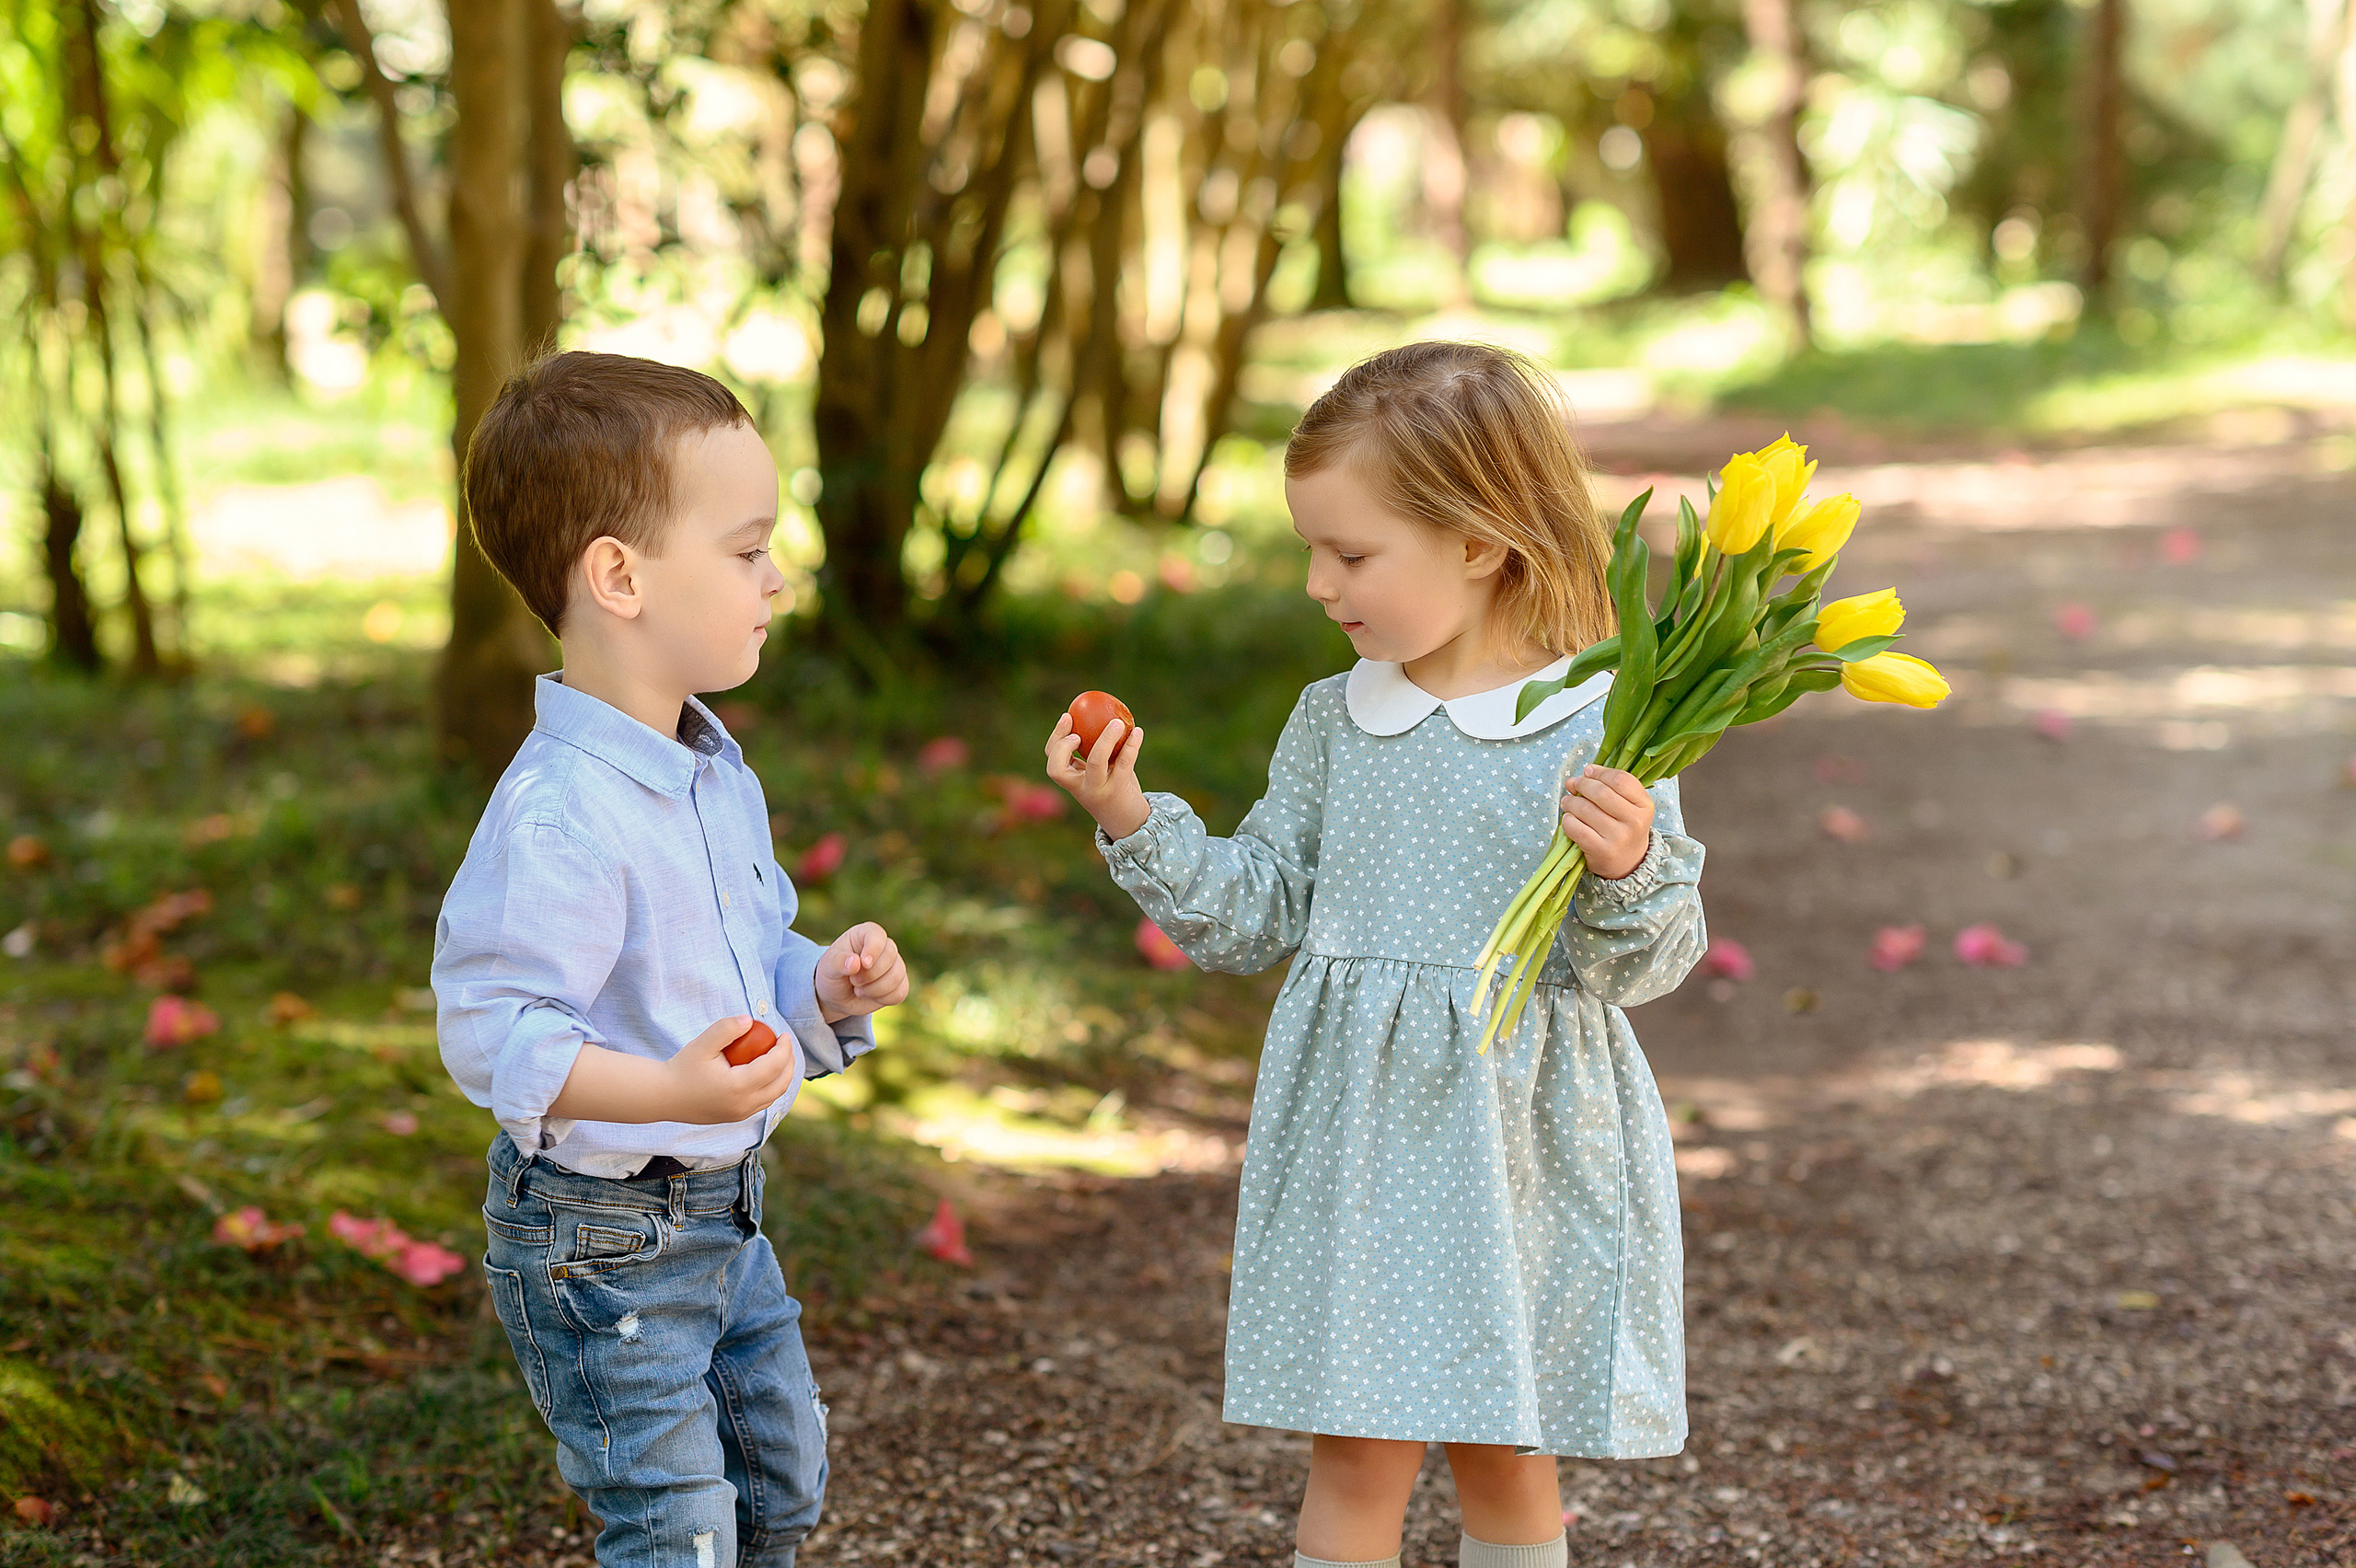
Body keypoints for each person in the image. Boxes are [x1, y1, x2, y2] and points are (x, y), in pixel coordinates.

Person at [1045, 341, 1704, 1568]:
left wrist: (1628, 870)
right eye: (1315, 550)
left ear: (1478, 539)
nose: (1317, 583)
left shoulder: (1607, 721)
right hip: (1362, 1143)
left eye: (1350, 554)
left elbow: (1640, 966)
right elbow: (1255, 911)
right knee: (1355, 1448)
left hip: (1519, 1146)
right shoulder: (1336, 720)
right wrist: (1133, 818)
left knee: (1510, 1449)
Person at [433, 351, 909, 1568]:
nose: (777, 577)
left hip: (724, 1221)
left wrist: (816, 985)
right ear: (620, 576)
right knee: (673, 1522)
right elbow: (498, 1031)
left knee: (777, 1480)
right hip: (599, 1240)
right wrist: (671, 1094)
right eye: (748, 551)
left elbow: (729, 971)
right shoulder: (561, 815)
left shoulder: (706, 769)